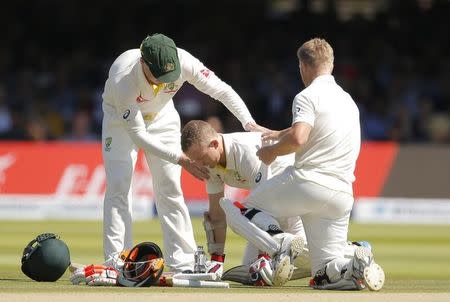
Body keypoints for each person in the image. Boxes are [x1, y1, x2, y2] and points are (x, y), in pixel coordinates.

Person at [219, 38, 385, 290]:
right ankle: (354, 266)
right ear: (330, 64)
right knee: (323, 274)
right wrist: (280, 133)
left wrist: (272, 151)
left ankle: (279, 243)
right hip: (341, 194)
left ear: (303, 66)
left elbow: (299, 138)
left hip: (309, 182)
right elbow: (314, 128)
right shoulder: (348, 101)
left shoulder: (307, 96)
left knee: (240, 209)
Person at [101, 33, 265, 273]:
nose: (167, 80)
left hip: (162, 115)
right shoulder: (123, 79)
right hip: (121, 121)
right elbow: (138, 136)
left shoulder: (183, 61)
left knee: (170, 187)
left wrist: (249, 123)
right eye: (159, 75)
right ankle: (117, 258)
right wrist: (181, 159)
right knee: (119, 184)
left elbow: (221, 90)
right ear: (143, 63)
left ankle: (183, 261)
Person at [181, 119, 372, 284]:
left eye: (201, 158)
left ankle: (333, 250)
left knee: (261, 260)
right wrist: (216, 259)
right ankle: (353, 255)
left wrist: (266, 257)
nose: (199, 165)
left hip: (293, 191)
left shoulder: (246, 151)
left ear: (214, 144)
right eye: (194, 160)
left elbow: (265, 206)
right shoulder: (210, 164)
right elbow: (216, 213)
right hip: (275, 206)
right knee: (257, 271)